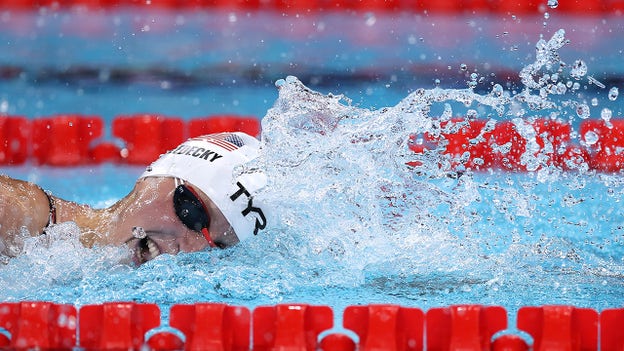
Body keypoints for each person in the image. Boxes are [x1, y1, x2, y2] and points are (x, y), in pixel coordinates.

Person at [0, 132, 267, 265]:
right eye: (192, 212)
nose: (192, 249)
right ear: (151, 178)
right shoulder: (14, 214)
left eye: (217, 246)